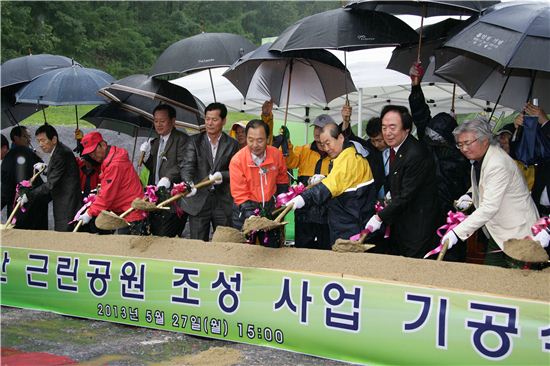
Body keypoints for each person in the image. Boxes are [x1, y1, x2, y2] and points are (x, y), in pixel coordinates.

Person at [441, 119, 540, 266]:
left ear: (485, 140)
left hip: (519, 233)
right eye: (460, 144)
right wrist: (469, 195)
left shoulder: (497, 164)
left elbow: (489, 207)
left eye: (468, 143)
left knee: (519, 283)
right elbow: (484, 183)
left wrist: (457, 233)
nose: (464, 149)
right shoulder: (479, 159)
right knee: (491, 276)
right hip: (499, 232)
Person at [409, 62, 471, 261]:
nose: (432, 139)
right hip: (426, 211)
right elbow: (420, 115)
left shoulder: (462, 155)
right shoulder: (427, 144)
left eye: (437, 137)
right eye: (430, 134)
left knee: (451, 255)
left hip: (452, 215)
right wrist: (415, 86)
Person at [365, 105, 439, 258]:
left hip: (418, 226)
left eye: (393, 127)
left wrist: (380, 217)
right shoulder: (396, 149)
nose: (387, 133)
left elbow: (407, 195)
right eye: (384, 128)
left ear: (406, 129)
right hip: (401, 224)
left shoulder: (415, 153)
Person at [287, 122, 376, 246]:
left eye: (328, 143)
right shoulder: (346, 155)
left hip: (351, 228)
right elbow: (339, 181)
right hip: (348, 224)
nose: (326, 148)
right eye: (323, 145)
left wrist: (303, 198)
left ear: (340, 137)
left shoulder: (349, 157)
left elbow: (331, 185)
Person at [180, 102, 239, 241]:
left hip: (222, 202)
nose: (210, 123)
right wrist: (189, 184)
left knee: (224, 242)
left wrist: (223, 175)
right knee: (197, 243)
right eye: (207, 119)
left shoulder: (232, 144)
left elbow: (236, 172)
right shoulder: (194, 141)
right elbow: (187, 166)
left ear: (223, 121)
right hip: (199, 199)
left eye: (214, 119)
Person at [229, 119, 289, 244]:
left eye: (260, 140)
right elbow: (239, 193)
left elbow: (282, 179)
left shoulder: (276, 155)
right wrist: (251, 216)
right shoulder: (237, 160)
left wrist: (281, 201)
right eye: (250, 140)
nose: (255, 144)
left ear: (268, 139)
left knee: (272, 249)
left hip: (269, 210)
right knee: (244, 250)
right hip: (244, 211)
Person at [79, 131, 146, 235]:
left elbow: (106, 196)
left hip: (132, 214)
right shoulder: (111, 159)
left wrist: (89, 213)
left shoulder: (114, 165)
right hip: (127, 213)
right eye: (89, 153)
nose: (92, 156)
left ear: (103, 145)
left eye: (94, 151)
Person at [284, 114, 332, 249]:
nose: (317, 131)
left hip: (326, 213)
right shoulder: (304, 149)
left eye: (321, 128)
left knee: (326, 250)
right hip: (304, 211)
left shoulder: (335, 153)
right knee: (303, 248)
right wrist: (286, 143)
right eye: (316, 127)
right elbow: (291, 162)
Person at [140, 104, 189, 237]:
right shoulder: (155, 142)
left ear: (173, 121)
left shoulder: (182, 139)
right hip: (157, 196)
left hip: (174, 199)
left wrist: (168, 178)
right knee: (155, 234)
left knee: (166, 235)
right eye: (156, 121)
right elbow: (155, 168)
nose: (158, 124)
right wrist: (146, 156)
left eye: (162, 121)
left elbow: (183, 165)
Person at [21, 124, 81, 232]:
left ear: (54, 139)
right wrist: (45, 170)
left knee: (64, 236)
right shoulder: (58, 151)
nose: (40, 144)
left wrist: (29, 195)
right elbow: (59, 173)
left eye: (43, 140)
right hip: (64, 201)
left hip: (67, 204)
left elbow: (50, 184)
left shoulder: (61, 154)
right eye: (39, 141)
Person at [1, 126, 48, 230]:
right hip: (38, 203)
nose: (28, 139)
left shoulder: (10, 159)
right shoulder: (29, 152)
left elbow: (6, 189)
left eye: (29, 137)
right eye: (25, 137)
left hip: (22, 208)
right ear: (16, 138)